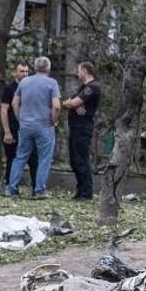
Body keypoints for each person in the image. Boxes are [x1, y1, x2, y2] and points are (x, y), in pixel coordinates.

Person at [5, 56, 61, 199]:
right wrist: (53, 121)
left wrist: (20, 119)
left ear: (35, 68)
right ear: (48, 68)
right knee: (44, 159)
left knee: (20, 157)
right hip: (44, 126)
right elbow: (56, 106)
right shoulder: (52, 83)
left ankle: (11, 189)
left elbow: (14, 103)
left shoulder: (24, 82)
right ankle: (39, 190)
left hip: (25, 126)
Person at [63, 61, 102, 200]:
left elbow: (72, 102)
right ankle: (80, 190)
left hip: (82, 128)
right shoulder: (83, 87)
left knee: (81, 159)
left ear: (85, 71)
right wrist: (72, 104)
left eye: (79, 70)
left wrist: (72, 104)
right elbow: (70, 101)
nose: (77, 73)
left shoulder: (92, 87)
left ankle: (86, 192)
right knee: (74, 160)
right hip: (75, 127)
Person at [1, 62, 38, 191]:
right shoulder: (9, 89)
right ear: (15, 73)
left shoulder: (31, 89)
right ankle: (10, 187)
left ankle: (36, 187)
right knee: (13, 158)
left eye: (27, 71)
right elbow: (4, 110)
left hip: (29, 129)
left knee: (34, 159)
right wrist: (7, 132)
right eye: (22, 71)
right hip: (13, 129)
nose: (25, 74)